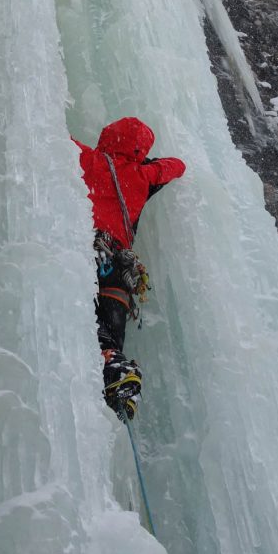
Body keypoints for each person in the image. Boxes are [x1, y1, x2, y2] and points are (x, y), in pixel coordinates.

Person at [73, 117, 185, 420]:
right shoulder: (144, 175)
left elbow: (54, 140)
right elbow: (177, 166)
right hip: (118, 271)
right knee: (109, 327)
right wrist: (144, 164)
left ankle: (109, 366)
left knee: (83, 321)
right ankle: (116, 379)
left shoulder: (87, 159)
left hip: (85, 256)